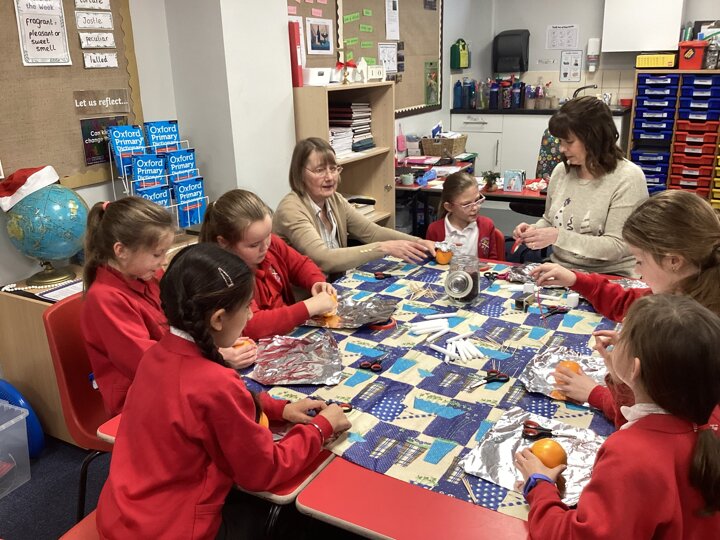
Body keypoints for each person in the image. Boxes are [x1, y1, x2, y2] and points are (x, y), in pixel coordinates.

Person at [96, 243, 351, 539]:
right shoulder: (214, 383)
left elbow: (213, 404)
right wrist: (320, 429)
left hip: (122, 516)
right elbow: (264, 471)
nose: (250, 316)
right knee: (303, 523)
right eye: (246, 307)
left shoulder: (157, 354)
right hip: (173, 531)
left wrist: (279, 408)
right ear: (218, 319)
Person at [515, 294, 720, 539]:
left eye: (623, 336)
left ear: (635, 368)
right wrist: (624, 379)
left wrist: (539, 486)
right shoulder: (704, 415)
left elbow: (575, 536)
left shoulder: (629, 456)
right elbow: (646, 423)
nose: (616, 338)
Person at [531, 190, 720, 426]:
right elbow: (629, 301)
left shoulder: (687, 334)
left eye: (640, 261)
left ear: (673, 261)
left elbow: (648, 418)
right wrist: (575, 279)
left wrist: (597, 393)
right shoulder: (680, 291)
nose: (637, 272)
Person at [81, 197, 258, 415]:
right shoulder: (104, 299)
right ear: (121, 250)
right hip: (142, 403)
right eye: (157, 254)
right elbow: (149, 365)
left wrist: (216, 342)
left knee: (240, 398)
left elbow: (184, 323)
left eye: (165, 252)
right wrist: (216, 355)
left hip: (179, 378)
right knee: (231, 407)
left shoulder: (149, 274)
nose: (163, 261)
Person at [512, 97, 648, 276]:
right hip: (561, 270)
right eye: (560, 142)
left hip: (610, 276)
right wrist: (534, 230)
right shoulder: (561, 171)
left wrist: (557, 236)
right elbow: (550, 220)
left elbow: (617, 246)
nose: (562, 149)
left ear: (594, 139)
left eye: (569, 142)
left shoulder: (628, 178)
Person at [273, 137, 436, 274]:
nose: (330, 177)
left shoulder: (335, 200)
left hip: (332, 289)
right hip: (304, 297)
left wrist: (419, 242)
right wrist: (383, 248)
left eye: (333, 169)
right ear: (300, 174)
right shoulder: (291, 210)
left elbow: (372, 232)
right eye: (320, 170)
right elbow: (323, 259)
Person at [200, 189, 337, 340]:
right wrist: (310, 307)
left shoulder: (270, 244)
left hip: (285, 336)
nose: (265, 246)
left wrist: (316, 282)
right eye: (254, 245)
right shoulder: (223, 276)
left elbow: (300, 265)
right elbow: (252, 325)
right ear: (223, 242)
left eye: (268, 235)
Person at [425, 171, 502, 259]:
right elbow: (430, 261)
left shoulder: (486, 225)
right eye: (467, 204)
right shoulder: (435, 230)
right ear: (449, 207)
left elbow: (493, 261)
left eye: (477, 200)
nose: (475, 208)